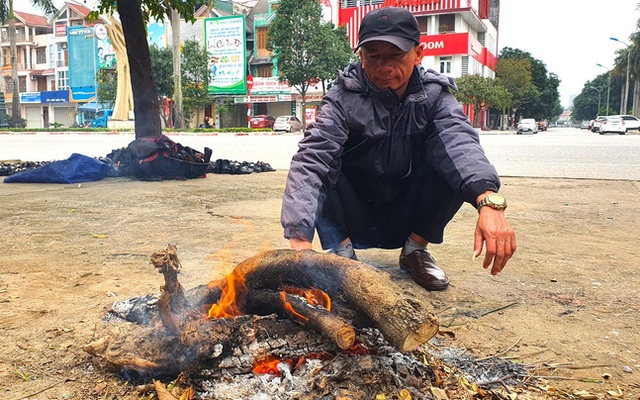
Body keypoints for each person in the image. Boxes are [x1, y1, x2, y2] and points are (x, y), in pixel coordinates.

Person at [280, 6, 516, 291]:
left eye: (395, 55)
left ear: (418, 53)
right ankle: (343, 255)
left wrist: (488, 200)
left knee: (451, 166)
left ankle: (415, 250)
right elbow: (310, 160)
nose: (384, 67)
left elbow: (460, 144)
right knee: (323, 163)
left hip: (407, 206)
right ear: (361, 58)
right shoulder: (341, 98)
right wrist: (299, 238)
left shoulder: (435, 96)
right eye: (374, 56)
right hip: (356, 208)